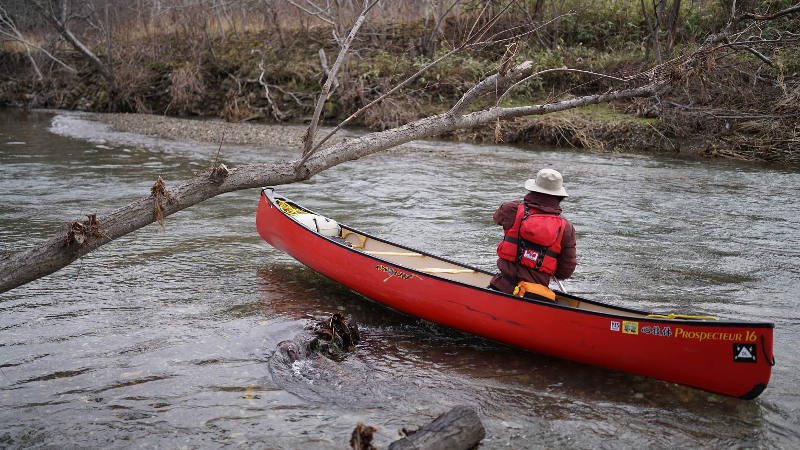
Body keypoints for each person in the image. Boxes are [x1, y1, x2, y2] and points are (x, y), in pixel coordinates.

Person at [489, 169, 577, 294]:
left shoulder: (512, 209)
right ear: (559, 195)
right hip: (536, 295)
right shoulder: (566, 228)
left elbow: (497, 218)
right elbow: (566, 269)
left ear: (533, 189)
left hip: (502, 286)